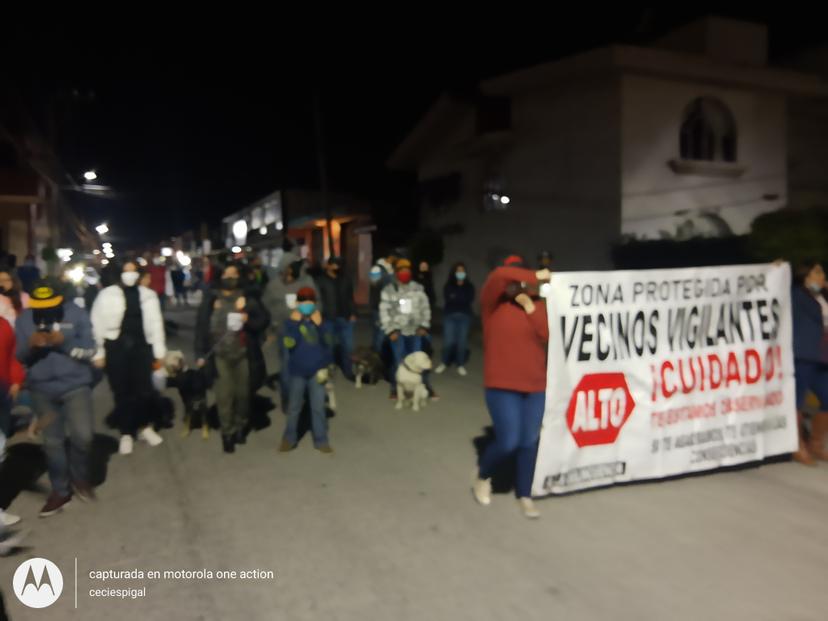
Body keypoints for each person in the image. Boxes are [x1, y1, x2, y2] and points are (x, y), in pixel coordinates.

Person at [472, 256, 551, 519]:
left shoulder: (536, 304)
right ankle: (483, 476)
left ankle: (525, 495)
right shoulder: (492, 305)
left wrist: (530, 305)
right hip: (502, 385)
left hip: (535, 385)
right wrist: (533, 276)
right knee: (509, 441)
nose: (515, 283)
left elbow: (546, 334)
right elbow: (498, 275)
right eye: (513, 278)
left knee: (529, 441)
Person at [16, 278, 97, 517]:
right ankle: (60, 490)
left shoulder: (77, 313)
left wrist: (66, 343)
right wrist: (29, 346)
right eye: (39, 308)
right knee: (53, 443)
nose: (44, 313)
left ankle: (80, 478)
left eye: (50, 306)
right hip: (42, 390)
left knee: (84, 436)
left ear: (61, 300)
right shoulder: (24, 319)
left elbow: (90, 349)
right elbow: (17, 357)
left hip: (75, 386)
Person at [91, 261, 167, 455]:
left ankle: (144, 427)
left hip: (141, 348)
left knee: (144, 390)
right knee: (121, 390)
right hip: (116, 348)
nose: (130, 274)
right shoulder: (107, 295)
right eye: (126, 270)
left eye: (134, 271)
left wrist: (159, 351)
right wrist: (99, 352)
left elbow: (157, 324)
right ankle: (126, 432)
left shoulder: (148, 296)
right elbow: (96, 324)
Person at [195, 263, 269, 454]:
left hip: (243, 354)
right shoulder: (212, 298)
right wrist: (200, 354)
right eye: (226, 274)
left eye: (234, 274)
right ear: (220, 276)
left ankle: (241, 425)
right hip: (220, 355)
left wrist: (248, 319)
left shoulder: (247, 297)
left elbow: (263, 320)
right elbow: (201, 327)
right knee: (225, 397)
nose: (230, 277)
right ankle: (227, 434)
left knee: (243, 395)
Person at [279, 287, 334, 454]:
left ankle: (321, 440)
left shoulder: (321, 321)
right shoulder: (290, 323)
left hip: (317, 370)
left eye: (310, 301)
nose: (307, 304)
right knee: (294, 407)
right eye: (303, 301)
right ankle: (289, 438)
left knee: (317, 407)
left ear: (315, 303)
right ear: (297, 303)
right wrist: (295, 324)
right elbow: (289, 344)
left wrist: (321, 325)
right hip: (298, 371)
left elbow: (329, 343)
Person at [262, 252, 319, 403]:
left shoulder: (307, 282)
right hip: (284, 332)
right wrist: (271, 327)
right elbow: (265, 308)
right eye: (289, 266)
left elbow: (317, 302)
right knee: (287, 368)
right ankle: (289, 399)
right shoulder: (273, 286)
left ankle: (305, 396)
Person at [791, 260, 828, 464]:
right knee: (798, 401)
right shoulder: (796, 295)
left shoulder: (822, 297)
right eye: (817, 273)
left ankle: (816, 443)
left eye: (822, 273)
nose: (821, 277)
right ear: (805, 277)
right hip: (804, 355)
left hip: (823, 357)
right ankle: (798, 445)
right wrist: (776, 269)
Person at [379, 258, 431, 398]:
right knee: (398, 360)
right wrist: (390, 331)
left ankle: (421, 387)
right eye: (402, 270)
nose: (405, 273)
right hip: (397, 332)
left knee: (418, 361)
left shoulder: (418, 288)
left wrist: (424, 326)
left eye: (407, 270)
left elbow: (425, 308)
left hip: (415, 331)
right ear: (396, 272)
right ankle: (395, 388)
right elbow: (384, 311)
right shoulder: (389, 290)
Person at [0, 315, 24, 527]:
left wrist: (16, 379)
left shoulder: (3, 324)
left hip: (2, 391)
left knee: (0, 451)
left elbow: (12, 354)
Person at [315, 257, 356, 379]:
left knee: (348, 346)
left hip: (345, 317)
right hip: (327, 318)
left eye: (338, 265)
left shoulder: (346, 279)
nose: (336, 267)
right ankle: (329, 370)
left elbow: (350, 298)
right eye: (333, 265)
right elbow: (317, 300)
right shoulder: (320, 281)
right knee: (328, 346)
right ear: (327, 266)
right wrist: (318, 316)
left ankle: (348, 371)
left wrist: (353, 313)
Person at [435, 262, 475, 376]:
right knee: (449, 342)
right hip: (450, 316)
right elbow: (449, 298)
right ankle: (444, 362)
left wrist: (456, 296)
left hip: (465, 316)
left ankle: (460, 364)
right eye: (458, 271)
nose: (460, 273)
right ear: (454, 272)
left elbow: (469, 299)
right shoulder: (449, 285)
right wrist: (459, 297)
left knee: (461, 342)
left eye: (462, 271)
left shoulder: (469, 286)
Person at [368, 264, 388, 353]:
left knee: (379, 331)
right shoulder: (383, 280)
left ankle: (377, 349)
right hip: (378, 309)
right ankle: (377, 351)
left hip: (379, 309)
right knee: (379, 331)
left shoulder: (384, 281)